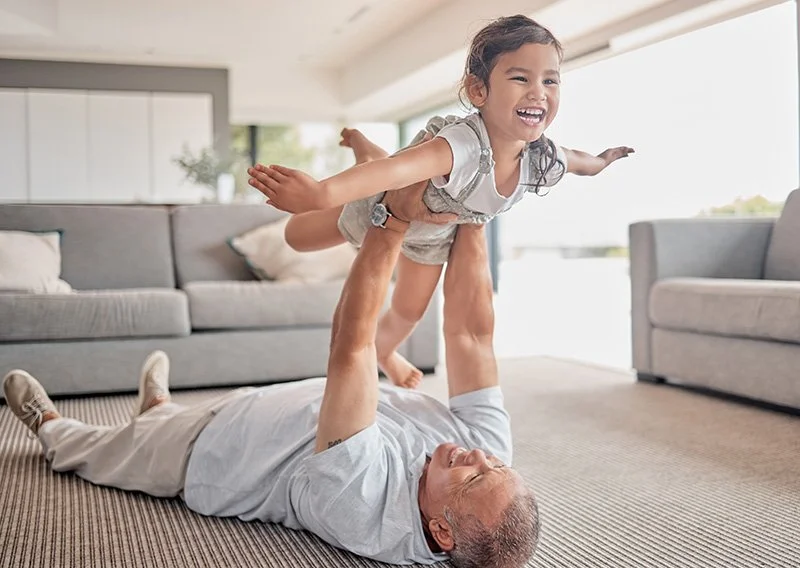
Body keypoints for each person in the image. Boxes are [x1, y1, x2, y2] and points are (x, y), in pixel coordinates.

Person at [3, 179, 540, 567]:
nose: (476, 456)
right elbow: (471, 335)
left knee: (99, 453)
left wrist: (391, 221)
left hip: (213, 453)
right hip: (271, 408)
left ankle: (50, 425)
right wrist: (477, 208)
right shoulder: (488, 455)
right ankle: (158, 408)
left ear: (440, 531)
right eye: (492, 465)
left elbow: (351, 348)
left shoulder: (364, 507)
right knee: (161, 421)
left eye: (470, 477)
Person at [247, 14, 634, 389]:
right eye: (520, 78)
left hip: (433, 236)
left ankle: (385, 355)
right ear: (479, 90)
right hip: (382, 206)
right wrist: (319, 193)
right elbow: (395, 174)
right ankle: (365, 151)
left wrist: (602, 161)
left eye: (551, 81)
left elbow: (578, 162)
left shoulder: (540, 160)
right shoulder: (460, 146)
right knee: (298, 237)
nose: (538, 92)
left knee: (408, 313)